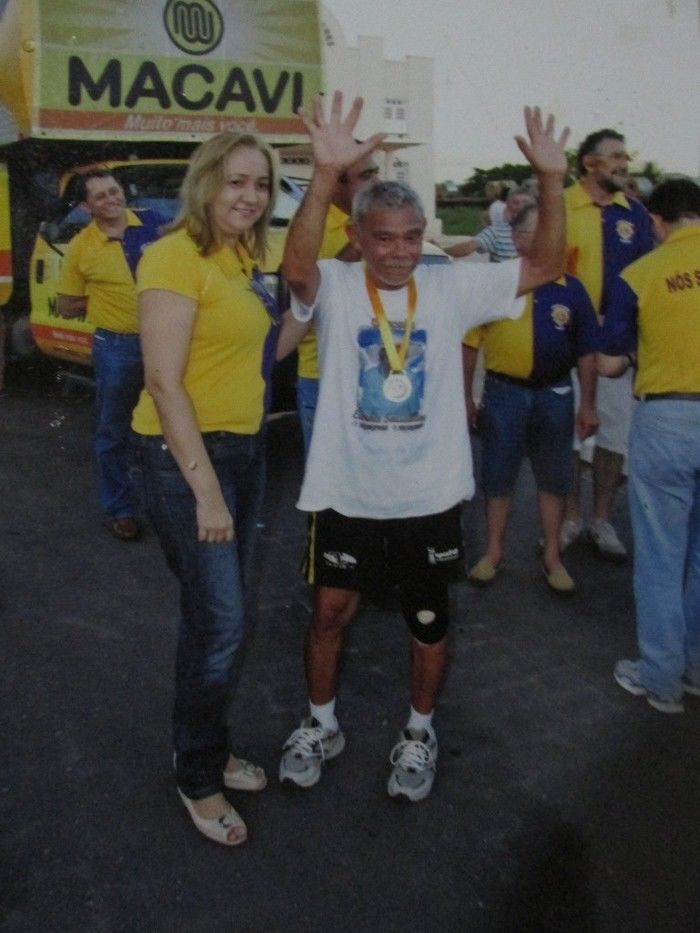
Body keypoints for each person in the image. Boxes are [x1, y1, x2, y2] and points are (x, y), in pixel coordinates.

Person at [278, 92, 569, 802]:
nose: (400, 252)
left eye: (412, 236)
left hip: (428, 496)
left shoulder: (450, 287)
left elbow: (544, 267)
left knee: (429, 620)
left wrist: (553, 183)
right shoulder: (341, 286)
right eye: (384, 237)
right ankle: (321, 723)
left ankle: (418, 731)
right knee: (326, 615)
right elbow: (295, 271)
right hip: (346, 492)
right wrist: (321, 176)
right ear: (359, 234)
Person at [131, 132, 299, 846]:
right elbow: (164, 383)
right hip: (182, 460)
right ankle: (196, 773)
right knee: (223, 622)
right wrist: (206, 493)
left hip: (245, 449)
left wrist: (307, 319)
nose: (249, 196)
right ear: (205, 182)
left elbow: (257, 351)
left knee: (213, 619)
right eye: (235, 181)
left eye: (260, 184)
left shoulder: (246, 257)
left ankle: (203, 743)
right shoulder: (174, 255)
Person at [597, 176, 700, 714]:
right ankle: (697, 666)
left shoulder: (641, 273)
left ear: (657, 221)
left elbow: (611, 362)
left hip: (670, 416)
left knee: (662, 555)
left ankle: (660, 679)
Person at [464, 203, 599, 594]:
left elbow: (587, 350)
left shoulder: (572, 289)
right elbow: (470, 345)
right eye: (538, 231)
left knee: (555, 477)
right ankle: (492, 553)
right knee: (498, 474)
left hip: (555, 394)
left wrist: (588, 404)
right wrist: (465, 398)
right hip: (504, 393)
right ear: (518, 239)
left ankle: (553, 556)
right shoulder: (495, 284)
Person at [560, 129, 654, 560]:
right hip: (566, 343)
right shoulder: (560, 206)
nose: (623, 164)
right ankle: (570, 518)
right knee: (571, 437)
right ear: (589, 163)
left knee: (613, 436)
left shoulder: (634, 214)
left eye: (625, 156)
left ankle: (601, 519)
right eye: (614, 156)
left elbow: (645, 279)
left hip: (614, 348)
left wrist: (625, 330)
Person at [57, 171, 164, 541]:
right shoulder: (81, 247)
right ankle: (122, 509)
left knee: (170, 425)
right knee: (114, 431)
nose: (111, 199)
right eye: (100, 196)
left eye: (114, 191)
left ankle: (173, 504)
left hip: (169, 342)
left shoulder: (156, 224)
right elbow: (67, 305)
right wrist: (108, 302)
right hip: (117, 347)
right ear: (87, 207)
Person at [296, 154, 379, 455]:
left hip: (377, 373)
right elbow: (313, 297)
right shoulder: (310, 228)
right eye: (366, 176)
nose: (377, 182)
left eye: (376, 173)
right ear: (337, 184)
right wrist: (359, 239)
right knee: (328, 485)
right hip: (325, 378)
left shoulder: (379, 220)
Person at [444, 186, 534, 262]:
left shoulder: (543, 232)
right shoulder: (496, 232)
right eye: (515, 202)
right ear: (507, 206)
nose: (520, 206)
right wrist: (441, 251)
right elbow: (468, 247)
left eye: (525, 202)